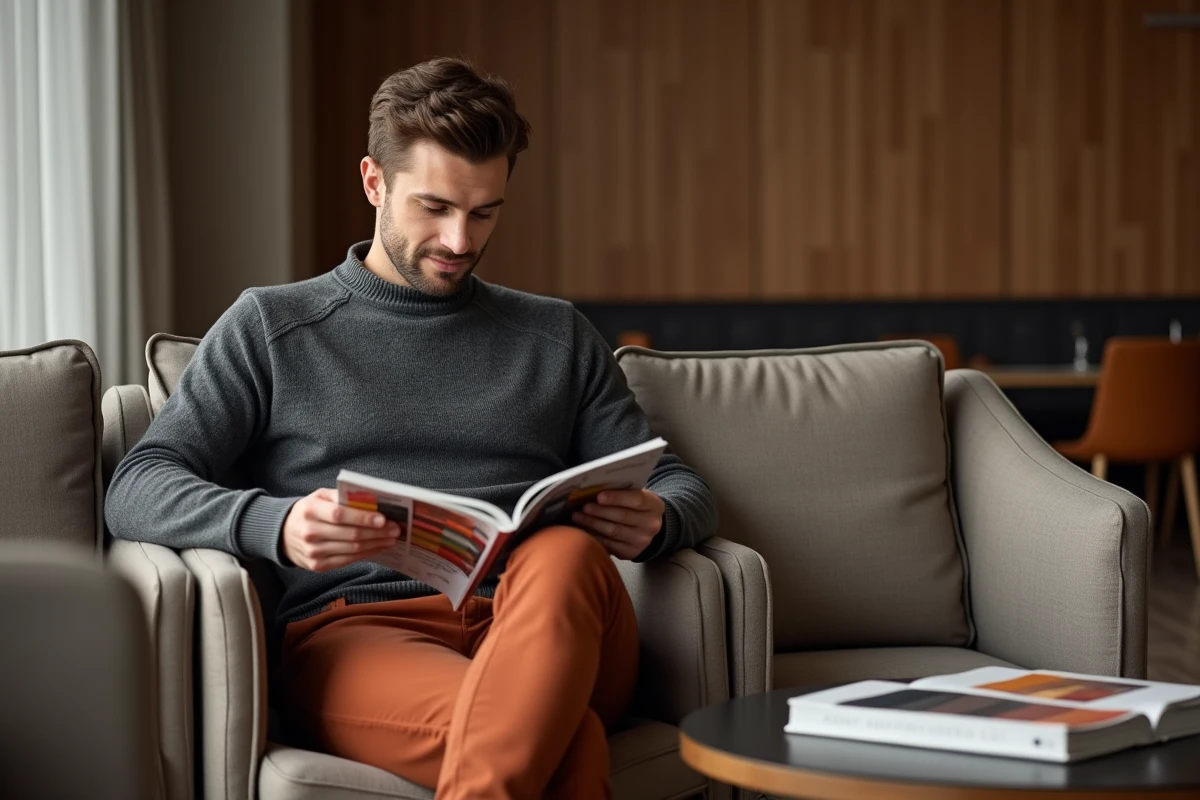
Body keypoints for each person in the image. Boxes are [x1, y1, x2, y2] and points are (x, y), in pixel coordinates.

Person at [105, 57, 717, 799]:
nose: (460, 240)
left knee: (564, 553)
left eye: (484, 213)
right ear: (374, 183)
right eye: (435, 207)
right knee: (570, 740)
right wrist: (277, 523)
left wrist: (660, 518)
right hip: (360, 635)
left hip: (551, 621)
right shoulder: (272, 327)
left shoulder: (555, 336)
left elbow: (680, 484)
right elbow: (136, 486)